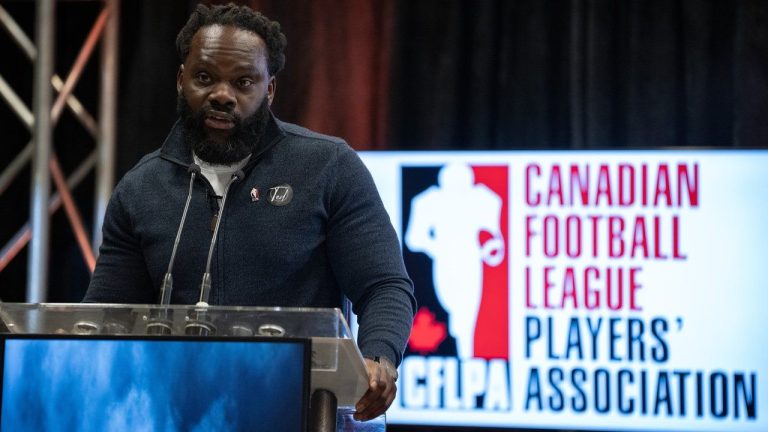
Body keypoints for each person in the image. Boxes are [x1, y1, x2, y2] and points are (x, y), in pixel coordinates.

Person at [84, 3, 416, 422]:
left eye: (243, 82)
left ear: (270, 90)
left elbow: (385, 285)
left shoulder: (328, 167)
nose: (222, 95)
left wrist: (379, 357)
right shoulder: (141, 188)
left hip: (301, 411)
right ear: (180, 80)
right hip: (177, 414)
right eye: (204, 78)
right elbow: (104, 318)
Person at [405, 163, 504, 358]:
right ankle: (457, 354)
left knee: (467, 316)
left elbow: (496, 238)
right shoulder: (429, 201)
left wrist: (488, 248)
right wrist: (437, 247)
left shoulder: (482, 199)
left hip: (470, 260)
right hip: (444, 261)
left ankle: (466, 356)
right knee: (448, 312)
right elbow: (413, 238)